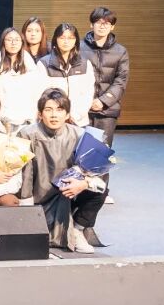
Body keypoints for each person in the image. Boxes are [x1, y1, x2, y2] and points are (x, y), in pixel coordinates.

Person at [19, 88, 108, 253]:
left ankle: (77, 229)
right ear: (40, 114)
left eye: (59, 110)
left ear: (67, 114)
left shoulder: (80, 135)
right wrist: (26, 205)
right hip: (41, 196)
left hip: (69, 192)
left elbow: (96, 171)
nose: (54, 115)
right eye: (48, 109)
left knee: (100, 190)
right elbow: (26, 172)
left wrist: (83, 184)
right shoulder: (27, 134)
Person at [81, 7, 129, 146]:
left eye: (107, 23)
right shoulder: (78, 48)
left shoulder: (121, 51)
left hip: (107, 110)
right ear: (91, 24)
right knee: (78, 150)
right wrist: (86, 100)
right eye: (98, 22)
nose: (102, 26)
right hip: (82, 109)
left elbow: (121, 80)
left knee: (101, 151)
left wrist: (103, 101)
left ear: (112, 27)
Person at [0, 27, 45, 130]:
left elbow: (37, 95)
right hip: (2, 123)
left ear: (22, 42)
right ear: (3, 42)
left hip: (28, 123)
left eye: (17, 40)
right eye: (9, 39)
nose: (13, 43)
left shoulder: (31, 68)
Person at [40, 23, 97, 126]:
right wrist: (60, 116)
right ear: (56, 39)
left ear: (76, 41)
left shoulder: (85, 63)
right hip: (53, 121)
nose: (66, 41)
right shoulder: (44, 63)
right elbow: (42, 94)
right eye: (62, 38)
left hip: (79, 121)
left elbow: (88, 93)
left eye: (70, 38)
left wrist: (75, 115)